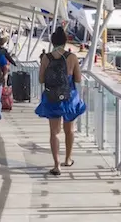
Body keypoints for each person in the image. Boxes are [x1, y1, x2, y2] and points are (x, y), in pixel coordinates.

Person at [35, 27, 86, 176]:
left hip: (52, 98)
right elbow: (78, 79)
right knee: (69, 130)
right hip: (69, 97)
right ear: (65, 41)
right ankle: (68, 158)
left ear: (52, 41)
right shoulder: (72, 57)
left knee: (54, 132)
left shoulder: (46, 58)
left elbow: (40, 79)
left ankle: (57, 165)